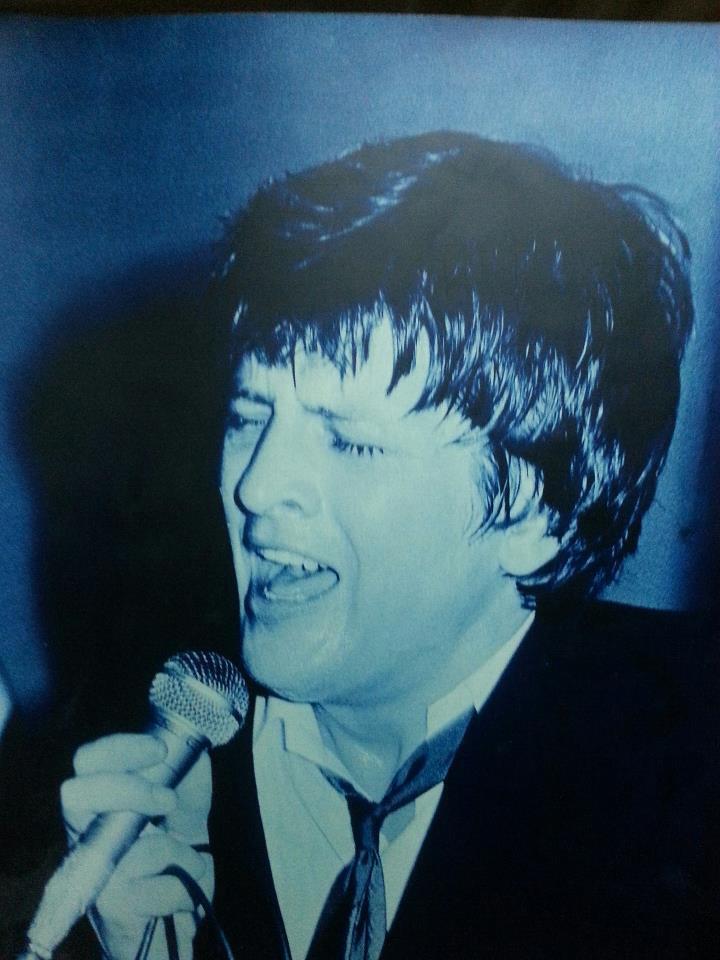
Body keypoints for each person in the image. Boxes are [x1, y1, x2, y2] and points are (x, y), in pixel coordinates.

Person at [57, 132, 717, 959]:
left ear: (532, 513)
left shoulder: (691, 757)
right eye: (249, 416)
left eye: (350, 440)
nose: (257, 485)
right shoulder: (124, 759)